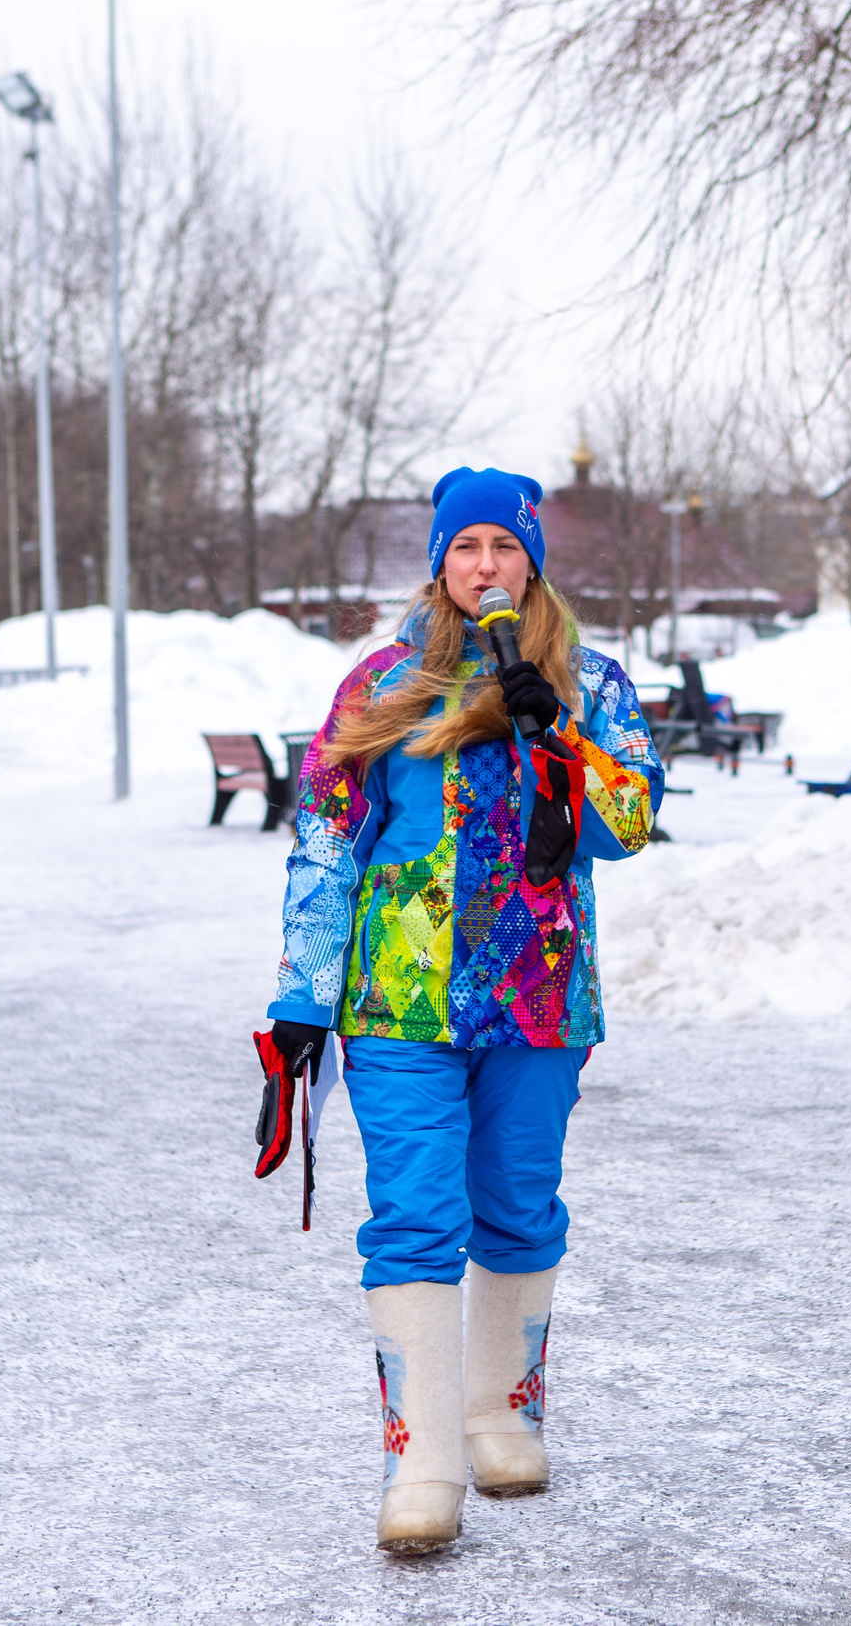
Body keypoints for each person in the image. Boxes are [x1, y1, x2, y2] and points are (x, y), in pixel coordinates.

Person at [265, 466, 663, 1555]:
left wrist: (556, 734)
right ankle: (422, 1461)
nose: (483, 564)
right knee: (413, 1217)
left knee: (519, 1204)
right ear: (439, 563)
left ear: (531, 557)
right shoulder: (381, 684)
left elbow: (628, 822)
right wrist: (301, 995)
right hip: (398, 1004)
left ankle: (501, 1415)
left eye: (502, 545)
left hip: (538, 998)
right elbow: (326, 841)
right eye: (463, 547)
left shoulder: (589, 680)